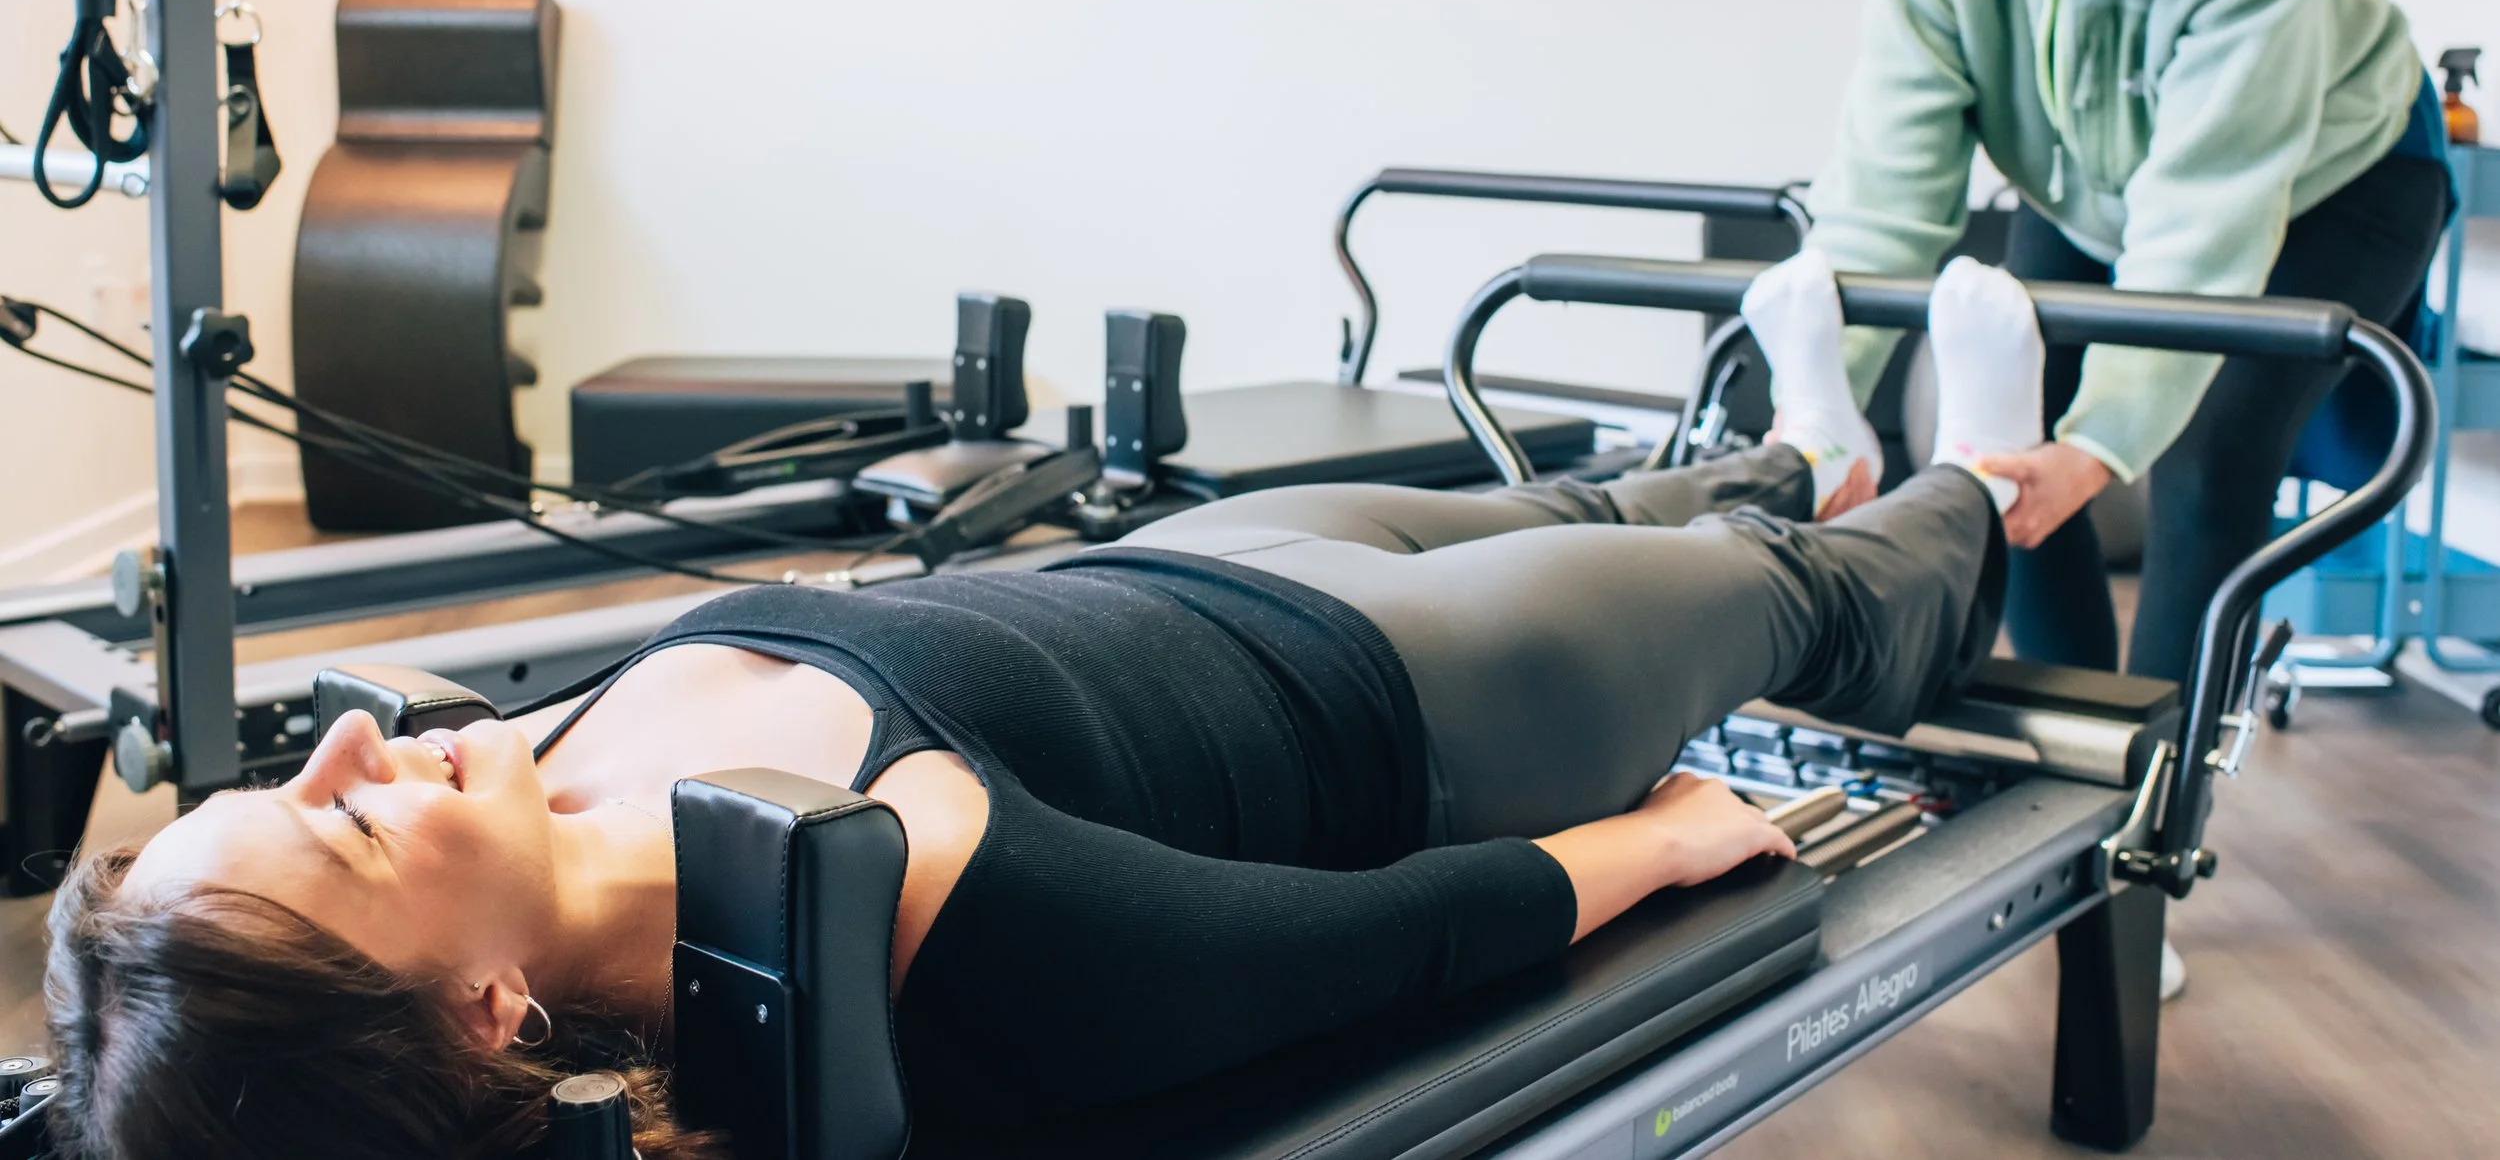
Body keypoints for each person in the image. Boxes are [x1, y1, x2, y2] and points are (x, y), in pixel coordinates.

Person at [44, 254, 2043, 1160]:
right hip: (1417, 711)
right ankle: (1991, 487)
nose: (355, 746)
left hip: (1200, 575)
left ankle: (1790, 443)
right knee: (1776, 605)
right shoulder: (868, 915)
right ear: (483, 1011)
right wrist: (1650, 842)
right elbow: (1352, 952)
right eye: (345, 824)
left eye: (295, 770)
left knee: (1599, 492)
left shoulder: (543, 775)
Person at [1801, 0, 2451, 690]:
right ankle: (2063, 763)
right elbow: (1885, 197)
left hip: (2334, 185)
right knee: (2007, 436)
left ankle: (2151, 802)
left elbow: (2206, 213)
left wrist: (2102, 446)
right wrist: (1814, 404)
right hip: (2090, 196)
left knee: (2200, 454)